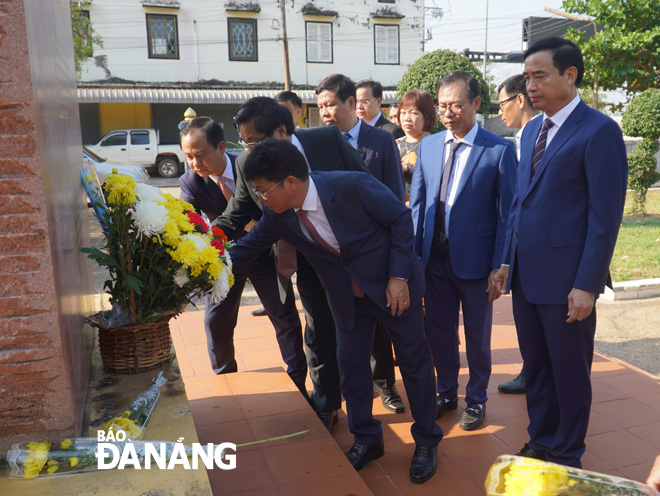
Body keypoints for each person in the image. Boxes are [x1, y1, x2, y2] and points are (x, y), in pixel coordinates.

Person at [229, 139, 443, 483]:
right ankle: (367, 440)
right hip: (348, 299)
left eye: (263, 190)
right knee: (352, 368)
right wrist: (203, 268)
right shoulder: (277, 214)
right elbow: (246, 249)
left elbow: (401, 220)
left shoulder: (351, 185)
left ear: (291, 182)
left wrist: (398, 276)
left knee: (415, 364)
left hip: (393, 288)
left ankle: (427, 441)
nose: (260, 198)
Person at [493, 37, 628, 468]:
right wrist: (505, 262)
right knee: (536, 367)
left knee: (569, 372)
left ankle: (568, 452)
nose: (529, 86)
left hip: (568, 279)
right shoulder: (532, 128)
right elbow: (519, 202)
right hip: (526, 275)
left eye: (540, 75)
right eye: (527, 76)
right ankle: (542, 438)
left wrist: (586, 285)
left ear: (570, 75)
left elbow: (604, 218)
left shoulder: (599, 130)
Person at [213, 97, 369, 433]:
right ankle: (327, 403)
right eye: (244, 142)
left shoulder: (326, 141)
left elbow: (365, 184)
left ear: (282, 130)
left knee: (368, 330)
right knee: (318, 333)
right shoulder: (246, 164)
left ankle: (382, 383)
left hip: (354, 257)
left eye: (254, 140)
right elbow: (238, 211)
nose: (249, 150)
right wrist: (206, 238)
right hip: (308, 261)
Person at [409, 70, 517, 431]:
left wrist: (500, 264)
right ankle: (445, 392)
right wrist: (413, 257)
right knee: (438, 332)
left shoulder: (499, 150)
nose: (448, 112)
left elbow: (507, 214)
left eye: (456, 104)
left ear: (475, 103)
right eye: (442, 106)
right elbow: (418, 206)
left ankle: (476, 399)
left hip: (476, 263)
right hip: (434, 261)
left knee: (477, 337)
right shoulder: (428, 145)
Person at [178, 117, 308, 393]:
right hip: (226, 261)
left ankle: (297, 378)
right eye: (188, 156)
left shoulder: (249, 164)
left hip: (264, 254)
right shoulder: (190, 183)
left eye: (200, 155)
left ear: (221, 146)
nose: (194, 163)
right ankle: (225, 377)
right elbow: (188, 224)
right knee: (216, 322)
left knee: (284, 318)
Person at [317, 74, 406, 414]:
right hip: (335, 251)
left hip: (374, 249)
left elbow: (395, 198)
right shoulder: (318, 142)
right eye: (320, 106)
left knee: (380, 325)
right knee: (343, 326)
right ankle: (346, 395)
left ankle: (385, 385)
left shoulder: (381, 141)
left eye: (331, 105)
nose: (325, 112)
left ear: (352, 103)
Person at [495, 74, 540, 395]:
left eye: (502, 104)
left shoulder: (543, 137)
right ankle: (532, 372)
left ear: (519, 100)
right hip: (523, 252)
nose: (500, 112)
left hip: (548, 253)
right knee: (529, 325)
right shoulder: (522, 140)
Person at [396, 90, 436, 192]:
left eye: (413, 113)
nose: (406, 118)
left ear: (427, 116)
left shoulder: (435, 146)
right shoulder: (394, 144)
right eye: (403, 113)